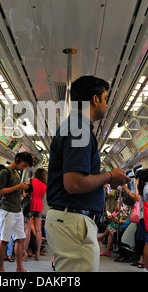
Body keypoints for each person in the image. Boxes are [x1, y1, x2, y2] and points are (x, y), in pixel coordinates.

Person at [46, 75, 130, 272]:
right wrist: (110, 176)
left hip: (70, 221)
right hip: (73, 222)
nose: (107, 105)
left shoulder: (74, 126)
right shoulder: (79, 129)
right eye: (106, 99)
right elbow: (74, 183)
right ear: (95, 99)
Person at [0, 152, 34, 272]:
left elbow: (14, 191)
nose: (24, 168)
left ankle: (19, 267)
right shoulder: (5, 172)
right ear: (17, 160)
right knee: (5, 240)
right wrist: (18, 187)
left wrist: (22, 190)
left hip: (17, 210)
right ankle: (1, 268)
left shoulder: (17, 174)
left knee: (20, 239)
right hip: (7, 210)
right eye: (24, 165)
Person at [23, 168, 47, 261]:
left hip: (30, 205)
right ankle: (37, 252)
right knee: (38, 230)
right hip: (38, 206)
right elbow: (42, 198)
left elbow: (25, 194)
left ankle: (25, 252)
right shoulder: (44, 185)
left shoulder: (31, 181)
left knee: (27, 230)